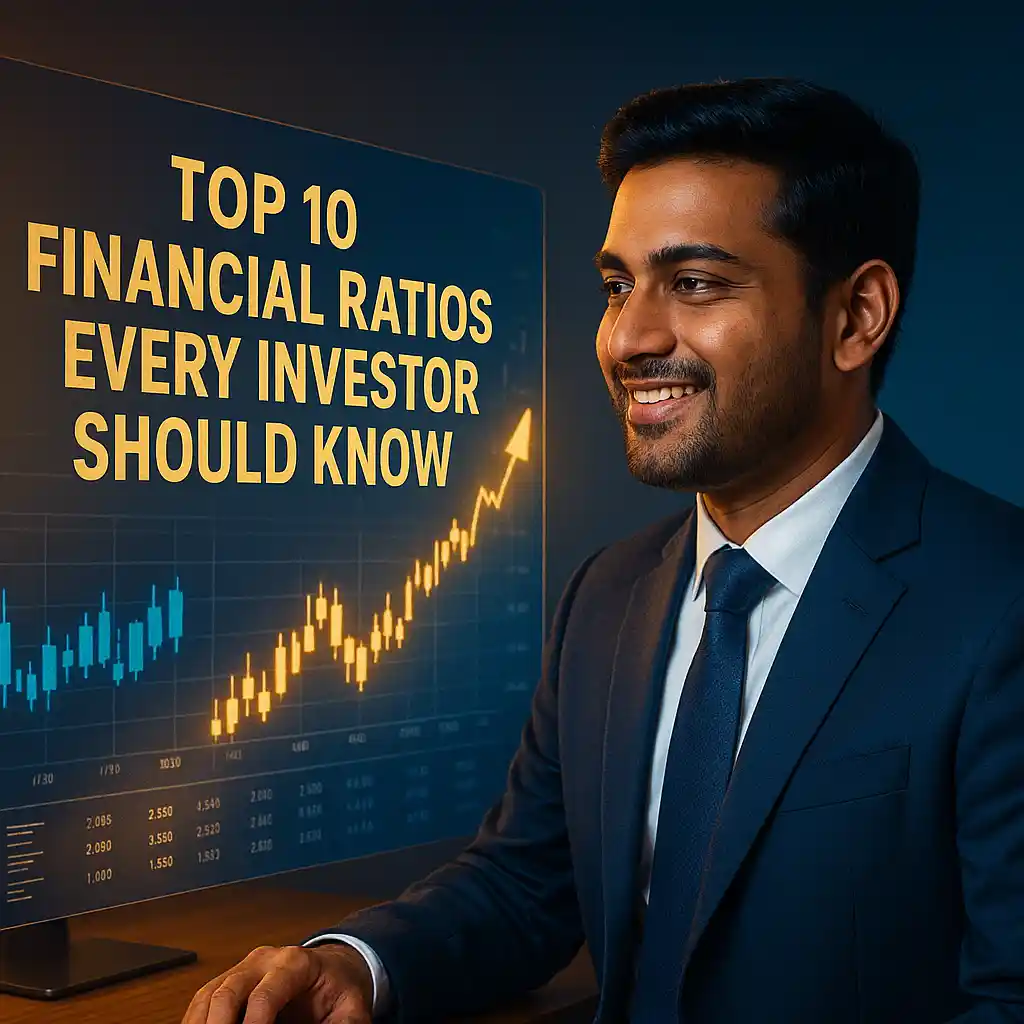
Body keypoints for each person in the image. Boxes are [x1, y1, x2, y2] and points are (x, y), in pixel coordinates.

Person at [183, 78, 1024, 1024]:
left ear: (856, 316)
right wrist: (356, 964)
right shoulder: (609, 595)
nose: (628, 336)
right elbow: (527, 885)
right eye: (618, 285)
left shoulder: (999, 605)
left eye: (696, 283)